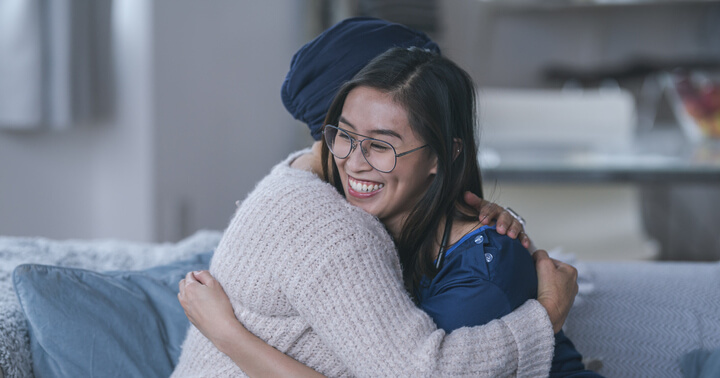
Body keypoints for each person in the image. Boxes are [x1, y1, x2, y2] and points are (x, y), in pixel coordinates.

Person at [172, 18, 578, 378]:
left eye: (380, 145)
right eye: (345, 135)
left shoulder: (296, 180)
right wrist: (545, 316)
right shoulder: (333, 224)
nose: (355, 162)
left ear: (440, 152)